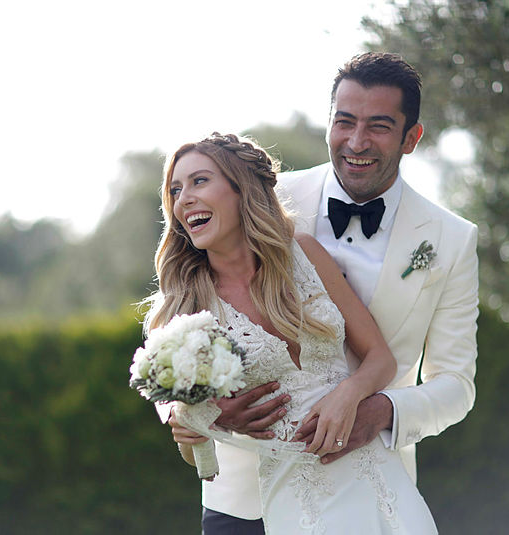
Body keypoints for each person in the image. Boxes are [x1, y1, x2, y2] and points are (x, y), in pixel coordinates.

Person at [166, 52, 479, 533]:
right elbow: (175, 329)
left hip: (367, 482)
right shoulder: (257, 196)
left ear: (411, 138)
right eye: (344, 121)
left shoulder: (451, 240)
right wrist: (190, 410)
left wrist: (381, 410)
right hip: (242, 493)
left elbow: (456, 384)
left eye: (378, 126)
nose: (357, 141)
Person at [146, 131, 438, 533]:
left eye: (199, 181)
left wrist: (349, 394)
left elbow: (380, 360)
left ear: (241, 189)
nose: (184, 200)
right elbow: (192, 446)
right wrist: (208, 419)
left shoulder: (305, 254)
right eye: (176, 190)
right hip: (288, 498)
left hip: (374, 480)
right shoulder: (186, 308)